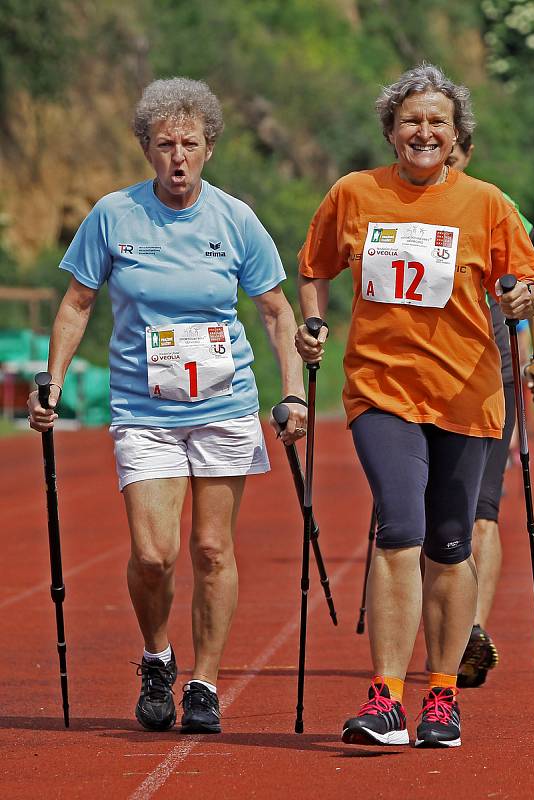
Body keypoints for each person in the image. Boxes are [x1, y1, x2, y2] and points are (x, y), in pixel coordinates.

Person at [27, 77, 307, 734]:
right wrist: (53, 380)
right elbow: (76, 304)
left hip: (223, 401)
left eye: (189, 143)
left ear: (209, 148)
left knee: (211, 548)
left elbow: (274, 309)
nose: (176, 157)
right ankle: (158, 656)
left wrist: (290, 389)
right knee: (154, 554)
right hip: (143, 407)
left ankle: (204, 683)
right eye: (163, 145)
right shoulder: (113, 215)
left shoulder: (235, 218)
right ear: (146, 149)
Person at [296, 63, 534, 749]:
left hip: (466, 395)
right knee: (398, 529)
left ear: (456, 133)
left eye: (437, 121)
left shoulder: (486, 203)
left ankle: (441, 696)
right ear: (390, 130)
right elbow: (314, 266)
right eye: (411, 120)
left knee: (449, 543)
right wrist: (312, 322)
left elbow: (525, 280)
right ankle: (384, 697)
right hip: (381, 391)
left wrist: (522, 298)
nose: (424, 131)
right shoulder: (353, 194)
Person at [446, 137, 534, 688]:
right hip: (429, 379)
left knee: (483, 509)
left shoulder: (498, 206)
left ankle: (473, 632)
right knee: (434, 516)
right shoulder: (401, 204)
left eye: (453, 154)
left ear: (464, 151)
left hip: (496, 374)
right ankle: (452, 623)